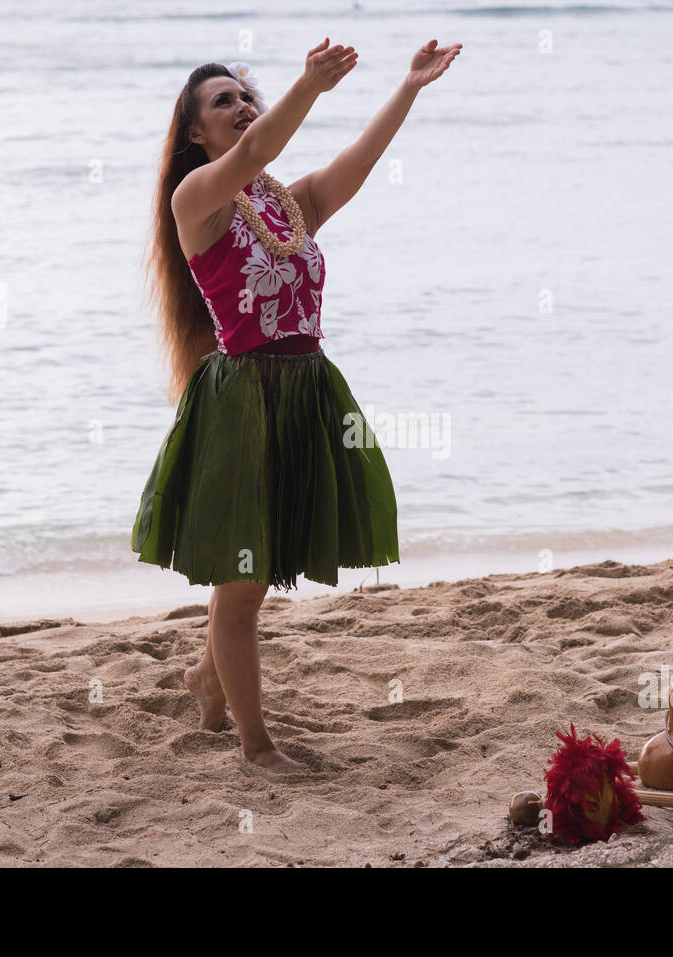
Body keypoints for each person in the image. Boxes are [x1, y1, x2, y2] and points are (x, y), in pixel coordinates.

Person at [131, 38, 462, 771]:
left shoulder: (283, 205)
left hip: (305, 391)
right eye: (225, 101)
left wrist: (408, 88)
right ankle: (256, 746)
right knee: (243, 588)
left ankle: (206, 678)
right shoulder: (197, 199)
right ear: (194, 131)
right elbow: (250, 155)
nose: (242, 106)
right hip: (244, 407)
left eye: (247, 95)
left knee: (259, 565)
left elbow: (355, 168)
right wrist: (309, 87)